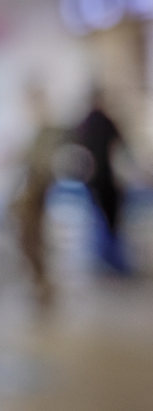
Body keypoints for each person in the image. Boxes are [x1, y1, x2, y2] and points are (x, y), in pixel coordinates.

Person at [9, 83, 65, 305]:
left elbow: (42, 167)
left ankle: (44, 283)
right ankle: (40, 282)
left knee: (33, 239)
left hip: (38, 191)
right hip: (33, 190)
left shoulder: (49, 131)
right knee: (29, 240)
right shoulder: (37, 131)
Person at [76, 88, 130, 275]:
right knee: (112, 222)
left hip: (92, 181)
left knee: (99, 221)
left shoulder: (84, 124)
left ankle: (105, 260)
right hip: (108, 179)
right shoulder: (107, 122)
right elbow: (121, 148)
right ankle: (114, 261)